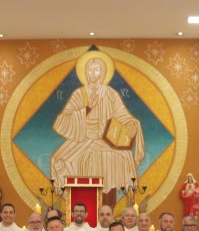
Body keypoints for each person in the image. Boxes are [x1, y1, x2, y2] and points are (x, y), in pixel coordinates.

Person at [51, 52, 144, 194]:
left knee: (124, 157)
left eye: (96, 69)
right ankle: (74, 199)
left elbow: (121, 113)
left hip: (107, 139)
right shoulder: (79, 93)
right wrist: (86, 109)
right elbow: (63, 119)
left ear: (103, 72)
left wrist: (132, 123)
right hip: (84, 138)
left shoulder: (110, 93)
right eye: (89, 69)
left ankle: (111, 198)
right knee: (58, 160)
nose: (92, 73)